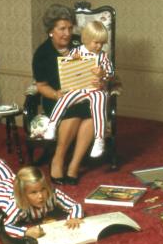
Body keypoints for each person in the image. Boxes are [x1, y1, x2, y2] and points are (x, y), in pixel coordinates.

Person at [32, 4, 103, 184]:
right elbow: (41, 86)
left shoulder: (81, 43)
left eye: (70, 28)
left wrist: (99, 79)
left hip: (85, 94)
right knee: (72, 113)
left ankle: (73, 166)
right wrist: (57, 94)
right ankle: (58, 159)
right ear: (51, 30)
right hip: (57, 99)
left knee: (93, 114)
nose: (67, 33)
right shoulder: (42, 53)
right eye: (62, 29)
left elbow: (100, 65)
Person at [0, 156, 83, 239]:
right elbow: (5, 226)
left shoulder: (52, 195)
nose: (41, 196)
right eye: (34, 193)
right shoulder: (16, 206)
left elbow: (74, 205)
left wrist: (74, 216)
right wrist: (25, 232)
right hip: (3, 194)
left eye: (43, 190)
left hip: (17, 184)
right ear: (23, 194)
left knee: (11, 177)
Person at [43, 20, 114, 160]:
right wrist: (72, 61)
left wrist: (102, 74)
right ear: (86, 39)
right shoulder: (76, 51)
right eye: (96, 42)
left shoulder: (103, 56)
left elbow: (110, 74)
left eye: (102, 43)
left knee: (100, 99)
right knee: (65, 98)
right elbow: (65, 70)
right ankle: (52, 124)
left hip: (95, 89)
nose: (99, 46)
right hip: (78, 88)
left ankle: (99, 139)